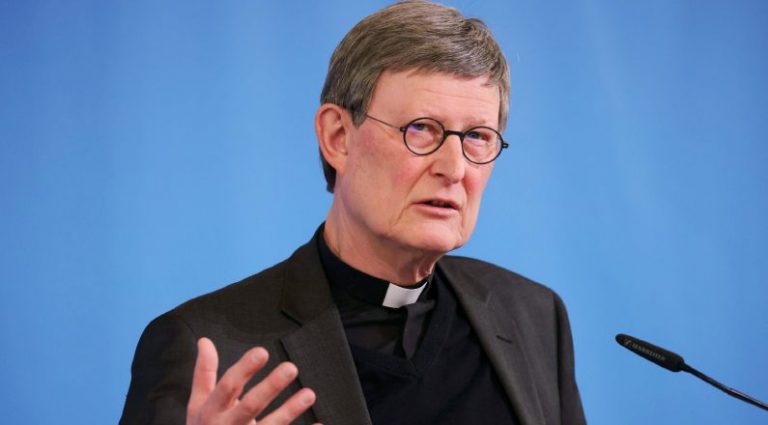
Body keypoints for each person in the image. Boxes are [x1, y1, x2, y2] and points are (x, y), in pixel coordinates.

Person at [120, 1, 586, 424]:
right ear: (338, 137)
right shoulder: (206, 347)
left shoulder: (534, 315)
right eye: (422, 129)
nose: (454, 168)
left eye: (477, 137)